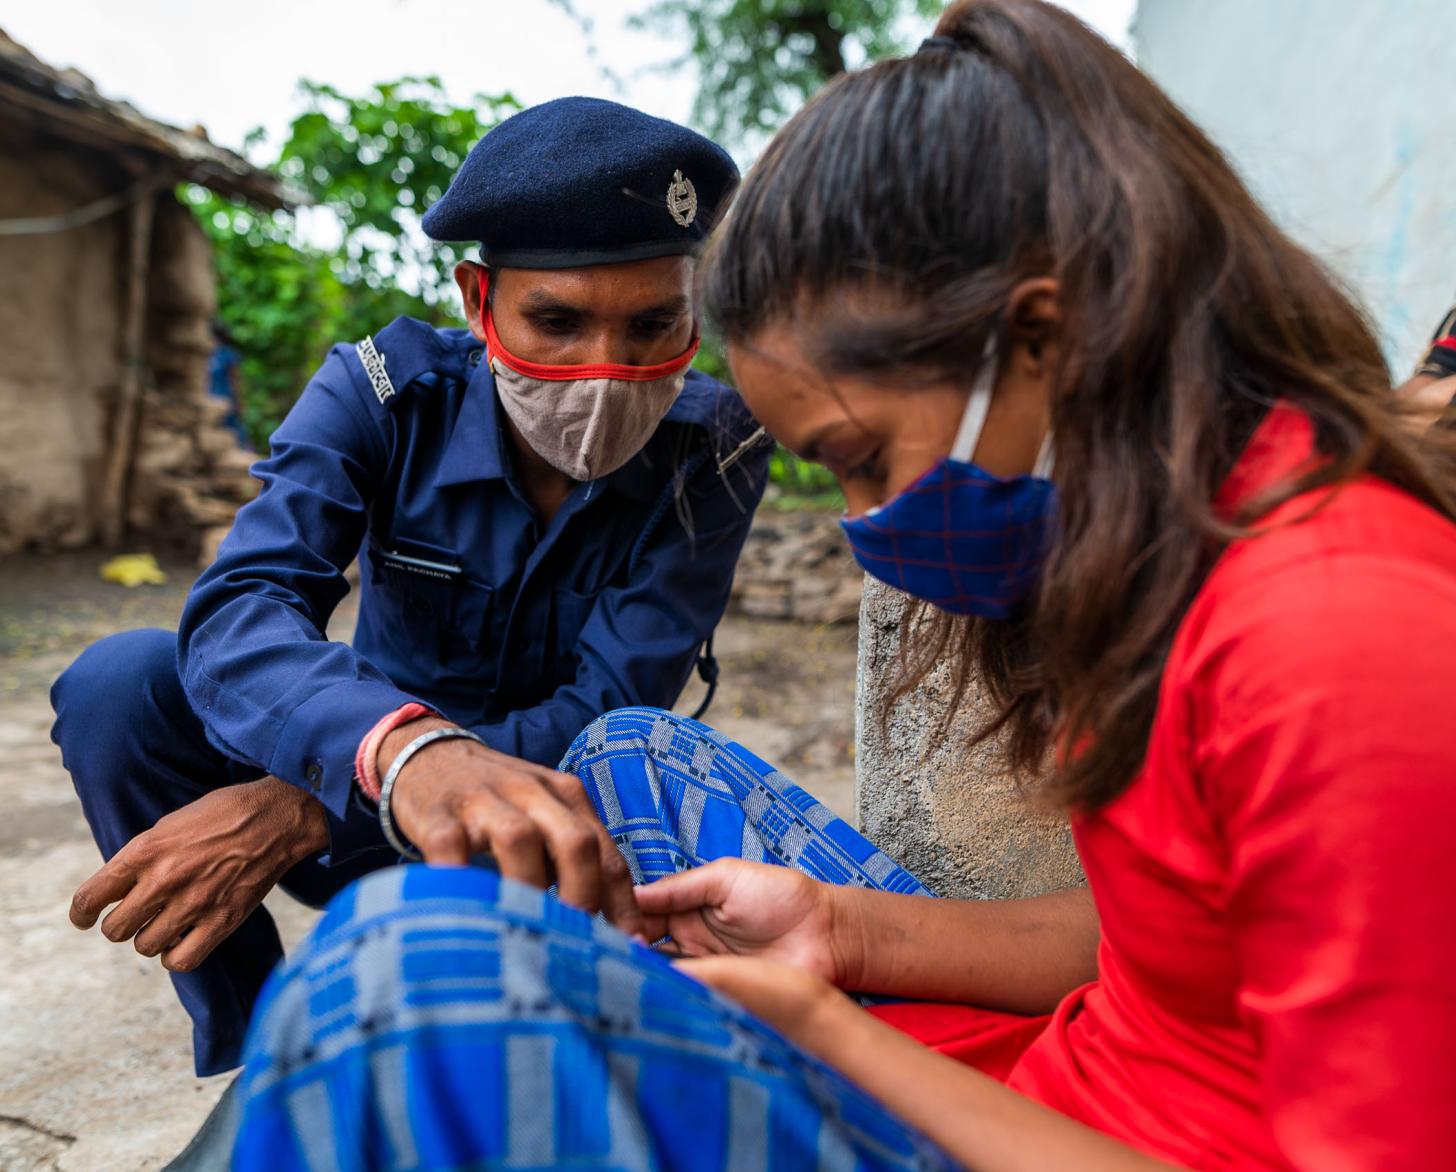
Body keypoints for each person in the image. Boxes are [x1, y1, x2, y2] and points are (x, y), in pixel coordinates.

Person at [228, 2, 1456, 1168]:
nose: (868, 526)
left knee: (393, 974)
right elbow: (1158, 946)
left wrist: (828, 1033)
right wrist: (836, 925)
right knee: (624, 760)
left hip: (1083, 1125)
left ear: (1043, 340)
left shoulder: (1334, 638)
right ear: (478, 303)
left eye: (864, 460)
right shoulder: (1183, 546)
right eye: (556, 323)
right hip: (1068, 1071)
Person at [50, 97, 767, 1080]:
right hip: (357, 755)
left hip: (535, 824)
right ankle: (258, 1051)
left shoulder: (715, 449)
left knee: (542, 1021)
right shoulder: (382, 390)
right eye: (555, 322)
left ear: (695, 309)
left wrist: (318, 799)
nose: (605, 372)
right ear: (479, 300)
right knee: (120, 682)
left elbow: (608, 705)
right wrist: (388, 750)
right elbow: (242, 605)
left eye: (654, 325)